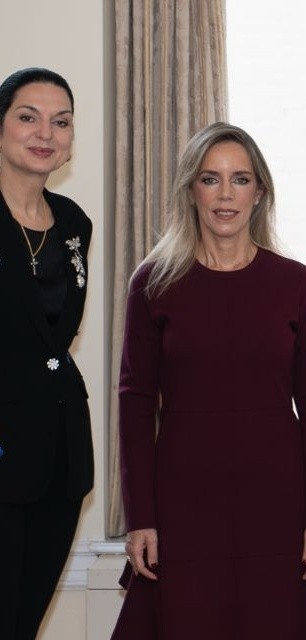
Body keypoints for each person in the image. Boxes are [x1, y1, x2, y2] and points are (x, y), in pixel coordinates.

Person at [112, 122, 306, 639]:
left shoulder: (295, 282)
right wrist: (141, 517)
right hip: (181, 503)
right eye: (210, 179)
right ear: (191, 190)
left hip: (277, 502)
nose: (226, 194)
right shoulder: (153, 282)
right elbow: (135, 403)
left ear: (260, 192)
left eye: (240, 179)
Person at [0, 67, 93, 640]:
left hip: (59, 455)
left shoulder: (75, 223)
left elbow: (58, 337)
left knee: (24, 622)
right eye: (28, 117)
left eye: (61, 122)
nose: (45, 133)